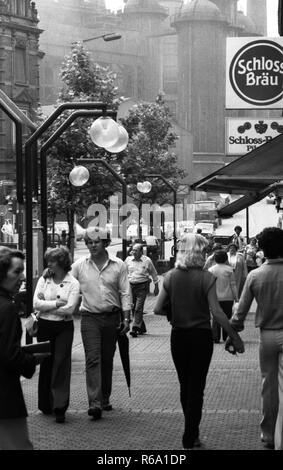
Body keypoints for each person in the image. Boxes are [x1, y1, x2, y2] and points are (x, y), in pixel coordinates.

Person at [154, 233, 244, 450]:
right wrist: (235, 336)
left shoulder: (170, 277)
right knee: (197, 387)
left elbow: (157, 308)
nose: (206, 255)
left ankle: (190, 432)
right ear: (198, 252)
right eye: (204, 251)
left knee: (185, 386)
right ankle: (191, 433)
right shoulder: (206, 277)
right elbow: (217, 312)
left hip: (179, 337)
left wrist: (175, 311)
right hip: (201, 337)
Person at [230, 227, 283, 451]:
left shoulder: (256, 275)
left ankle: (269, 434)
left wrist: (233, 333)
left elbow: (240, 312)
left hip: (268, 335)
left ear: (262, 250)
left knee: (268, 386)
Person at [71, 227, 131, 420]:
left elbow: (125, 293)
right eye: (89, 242)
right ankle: (95, 403)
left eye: (96, 241)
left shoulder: (119, 265)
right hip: (90, 318)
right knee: (93, 359)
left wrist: (127, 318)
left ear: (105, 242)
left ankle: (104, 398)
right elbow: (66, 282)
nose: (92, 245)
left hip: (112, 318)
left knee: (106, 359)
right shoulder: (79, 265)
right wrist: (51, 272)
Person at [0, 249, 46, 449]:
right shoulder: (7, 308)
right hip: (5, 398)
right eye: (17, 272)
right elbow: (9, 355)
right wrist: (31, 360)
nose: (23, 277)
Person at [33, 246, 80, 423]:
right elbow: (36, 303)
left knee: (61, 363)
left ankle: (60, 406)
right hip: (44, 326)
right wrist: (56, 304)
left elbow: (70, 309)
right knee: (46, 362)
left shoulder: (73, 283)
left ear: (61, 262)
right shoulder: (44, 279)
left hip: (63, 328)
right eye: (48, 261)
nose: (48, 264)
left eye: (52, 261)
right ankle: (45, 403)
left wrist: (48, 304)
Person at [125, 243, 159, 337]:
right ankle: (142, 327)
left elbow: (154, 273)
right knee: (133, 307)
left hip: (142, 286)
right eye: (133, 250)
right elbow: (123, 273)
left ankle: (135, 328)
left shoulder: (147, 260)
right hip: (131, 286)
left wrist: (156, 286)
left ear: (141, 251)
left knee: (138, 308)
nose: (133, 252)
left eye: (136, 250)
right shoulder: (128, 260)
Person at [208, 250, 239, 343]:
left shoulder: (211, 270)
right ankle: (226, 336)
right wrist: (236, 298)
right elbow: (233, 285)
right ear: (226, 259)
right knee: (227, 317)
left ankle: (215, 337)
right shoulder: (229, 270)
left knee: (216, 317)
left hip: (215, 297)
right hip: (228, 297)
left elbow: (209, 285)